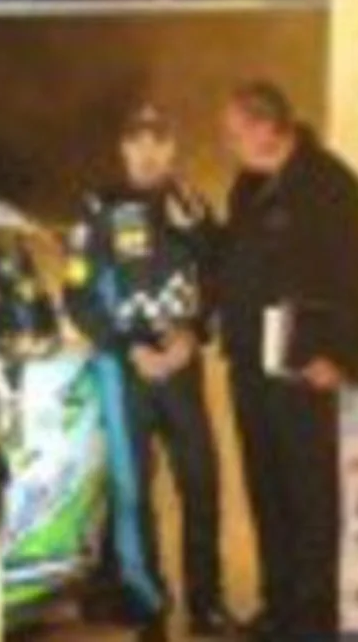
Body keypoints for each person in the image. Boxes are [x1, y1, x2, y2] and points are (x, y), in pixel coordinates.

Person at [65, 104, 239, 640]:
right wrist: (128, 348)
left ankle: (206, 605)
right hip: (126, 370)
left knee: (202, 483)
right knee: (132, 491)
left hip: (182, 365)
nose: (148, 152)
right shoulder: (98, 207)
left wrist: (194, 334)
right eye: (137, 141)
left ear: (172, 149)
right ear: (123, 149)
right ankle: (149, 605)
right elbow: (77, 295)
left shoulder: (192, 204)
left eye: (158, 141)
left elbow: (223, 276)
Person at [217, 80, 358, 640]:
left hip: (306, 362)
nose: (229, 143)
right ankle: (278, 604)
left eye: (235, 132)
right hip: (250, 361)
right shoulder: (245, 186)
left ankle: (313, 617)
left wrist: (337, 354)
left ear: (267, 127)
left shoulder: (330, 183)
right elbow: (231, 264)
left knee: (310, 492)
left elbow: (353, 276)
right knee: (266, 488)